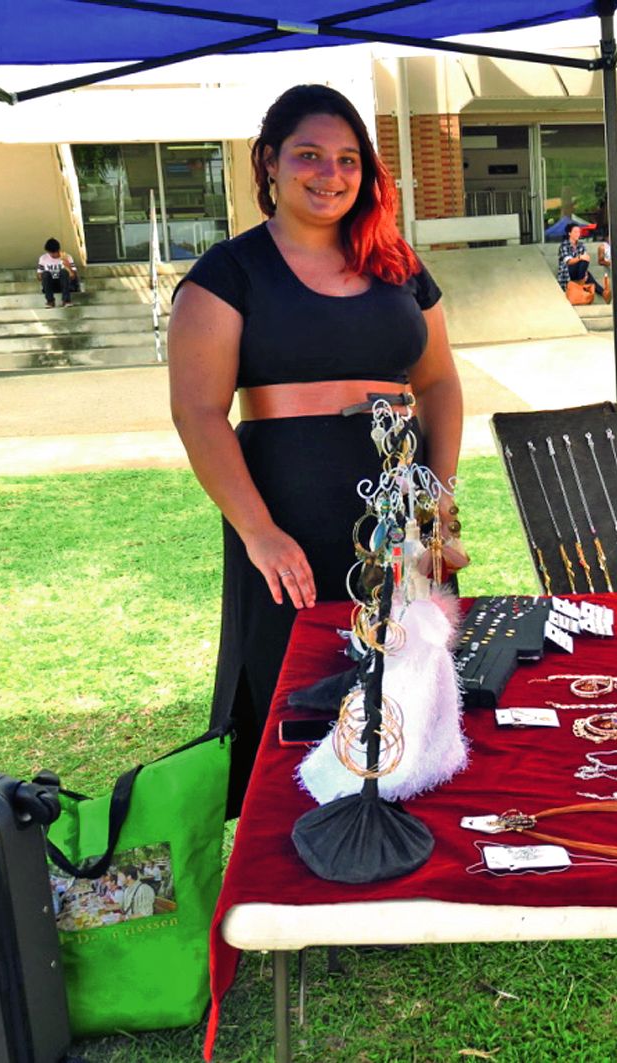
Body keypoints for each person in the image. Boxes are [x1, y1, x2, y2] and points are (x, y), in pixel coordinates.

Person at [169, 84, 468, 816]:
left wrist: (438, 498)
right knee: (295, 677)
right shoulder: (227, 274)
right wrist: (258, 531)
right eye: (308, 155)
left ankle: (404, 822)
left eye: (346, 160)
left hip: (402, 502)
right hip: (288, 503)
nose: (329, 174)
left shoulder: (397, 263)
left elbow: (439, 384)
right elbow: (198, 412)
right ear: (268, 162)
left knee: (411, 669)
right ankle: (298, 845)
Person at [556, 222, 603, 294]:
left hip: (579, 272)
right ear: (569, 233)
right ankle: (582, 283)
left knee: (586, 269)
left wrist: (585, 272)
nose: (578, 234)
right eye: (575, 232)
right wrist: (580, 257)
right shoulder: (564, 245)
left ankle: (603, 293)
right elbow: (569, 262)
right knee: (583, 260)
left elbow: (586, 259)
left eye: (579, 232)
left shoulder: (581, 245)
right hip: (567, 272)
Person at [37, 238, 77, 308]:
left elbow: (74, 276)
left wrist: (68, 266)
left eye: (54, 253)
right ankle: (50, 301)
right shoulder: (43, 258)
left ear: (58, 250)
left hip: (64, 284)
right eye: (50, 253)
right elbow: (39, 276)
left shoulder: (67, 257)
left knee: (63, 272)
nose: (52, 255)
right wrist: (43, 276)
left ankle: (66, 301)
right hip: (51, 285)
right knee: (45, 273)